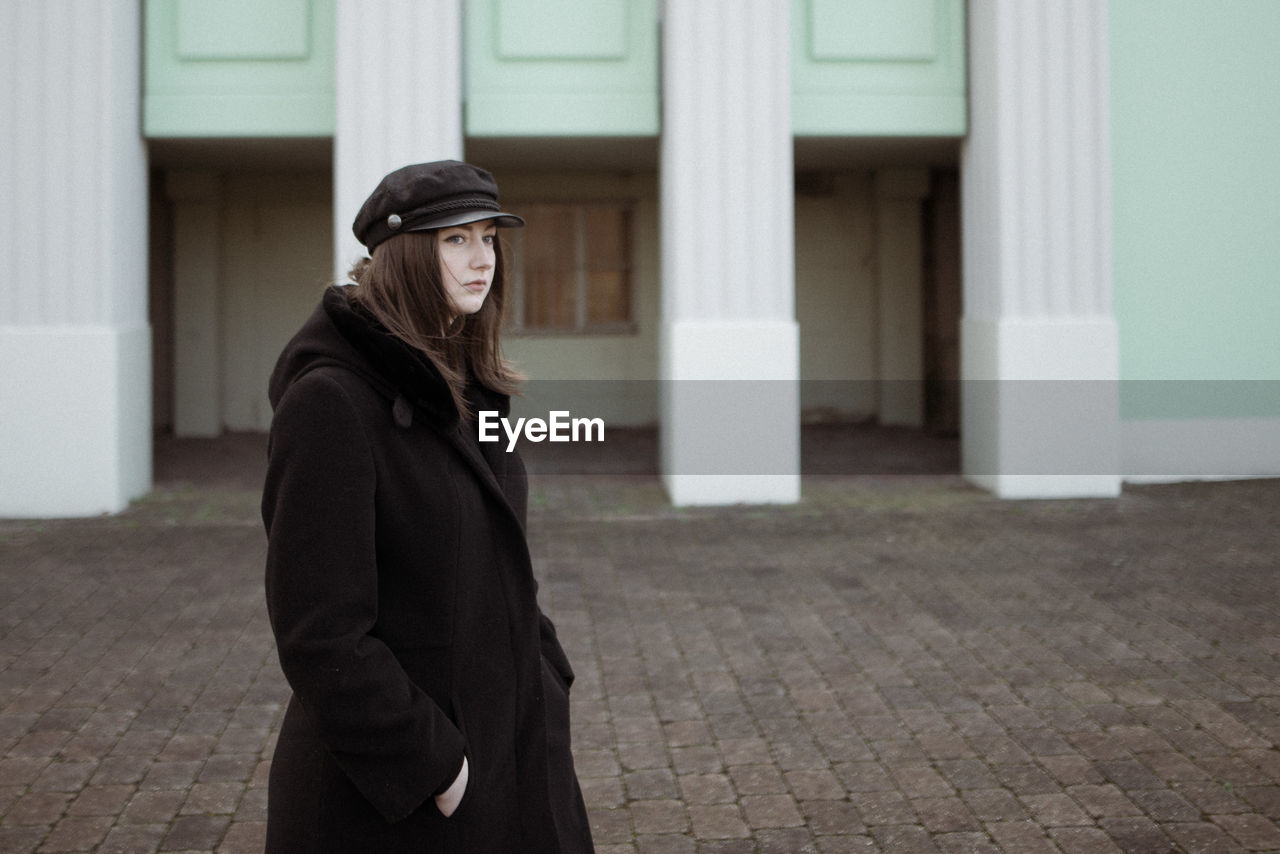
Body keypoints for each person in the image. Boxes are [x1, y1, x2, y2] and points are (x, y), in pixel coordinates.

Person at [261, 160, 595, 853]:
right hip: (403, 794)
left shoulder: (467, 386)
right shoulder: (332, 403)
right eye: (456, 241)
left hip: (512, 742)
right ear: (407, 254)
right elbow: (320, 633)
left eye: (489, 239)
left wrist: (543, 668)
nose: (483, 261)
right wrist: (437, 767)